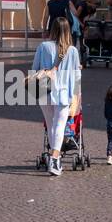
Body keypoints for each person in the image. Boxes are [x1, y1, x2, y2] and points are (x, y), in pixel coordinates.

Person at [31, 18, 82, 177]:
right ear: (68, 31)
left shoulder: (43, 46)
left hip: (44, 92)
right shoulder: (72, 50)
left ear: (52, 29)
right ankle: (55, 159)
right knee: (59, 126)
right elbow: (77, 76)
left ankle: (54, 158)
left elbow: (34, 70)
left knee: (51, 125)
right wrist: (77, 96)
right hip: (63, 94)